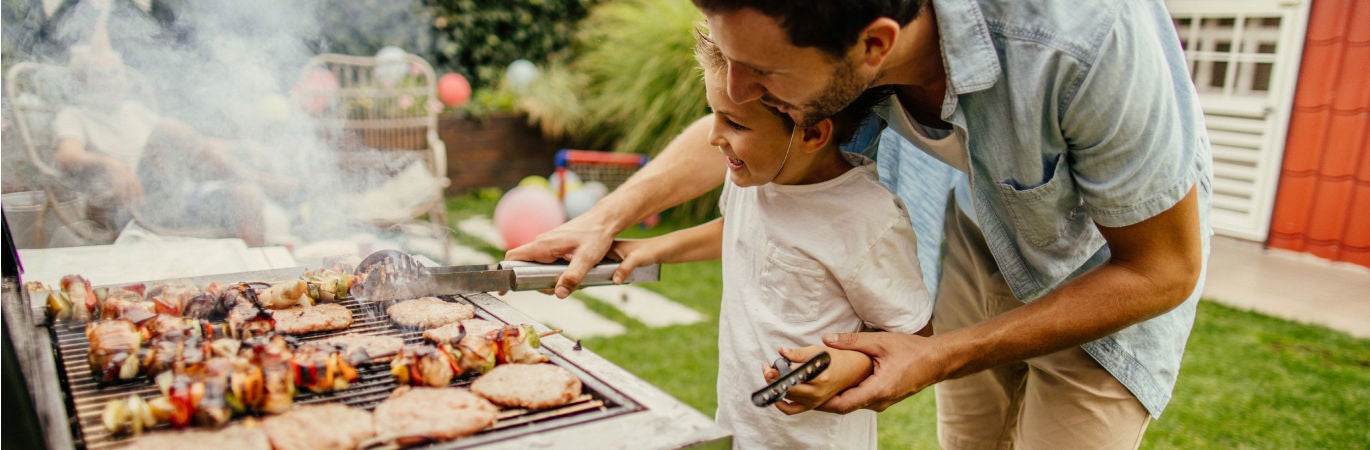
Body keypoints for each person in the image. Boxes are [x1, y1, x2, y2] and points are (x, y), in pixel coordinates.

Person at [507, 0, 1213, 448]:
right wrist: (608, 216)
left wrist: (939, 354)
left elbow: (1162, 267)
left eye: (763, 75)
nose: (738, 93)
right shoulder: (829, 47)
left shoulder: (1087, 38)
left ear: (875, 47)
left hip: (1108, 269)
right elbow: (744, 118)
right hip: (976, 222)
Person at [608, 33, 931, 449]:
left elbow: (915, 337)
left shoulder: (868, 219)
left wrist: (849, 364)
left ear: (812, 134)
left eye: (735, 124)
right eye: (714, 114)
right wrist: (649, 248)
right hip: (744, 428)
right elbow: (741, 233)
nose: (713, 137)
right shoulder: (754, 175)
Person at [51, 44, 295, 247]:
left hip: (172, 198)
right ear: (83, 80)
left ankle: (260, 286)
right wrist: (109, 163)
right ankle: (263, 181)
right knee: (168, 129)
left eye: (116, 73)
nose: (111, 81)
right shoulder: (74, 115)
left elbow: (192, 144)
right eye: (100, 74)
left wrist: (240, 146)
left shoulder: (134, 111)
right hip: (128, 204)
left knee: (246, 194)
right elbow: (66, 154)